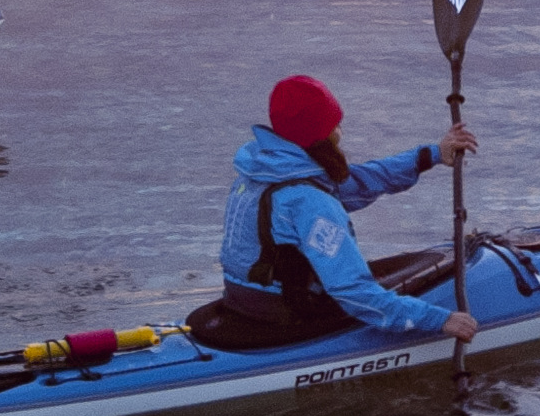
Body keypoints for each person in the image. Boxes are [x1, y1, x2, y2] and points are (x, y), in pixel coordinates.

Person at [204, 71, 479, 349]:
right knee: (361, 286)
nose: (340, 131)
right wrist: (439, 319)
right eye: (335, 125)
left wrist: (429, 155)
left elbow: (362, 181)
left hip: (240, 300)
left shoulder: (260, 173)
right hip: (285, 312)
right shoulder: (310, 202)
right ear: (322, 135)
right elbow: (352, 291)